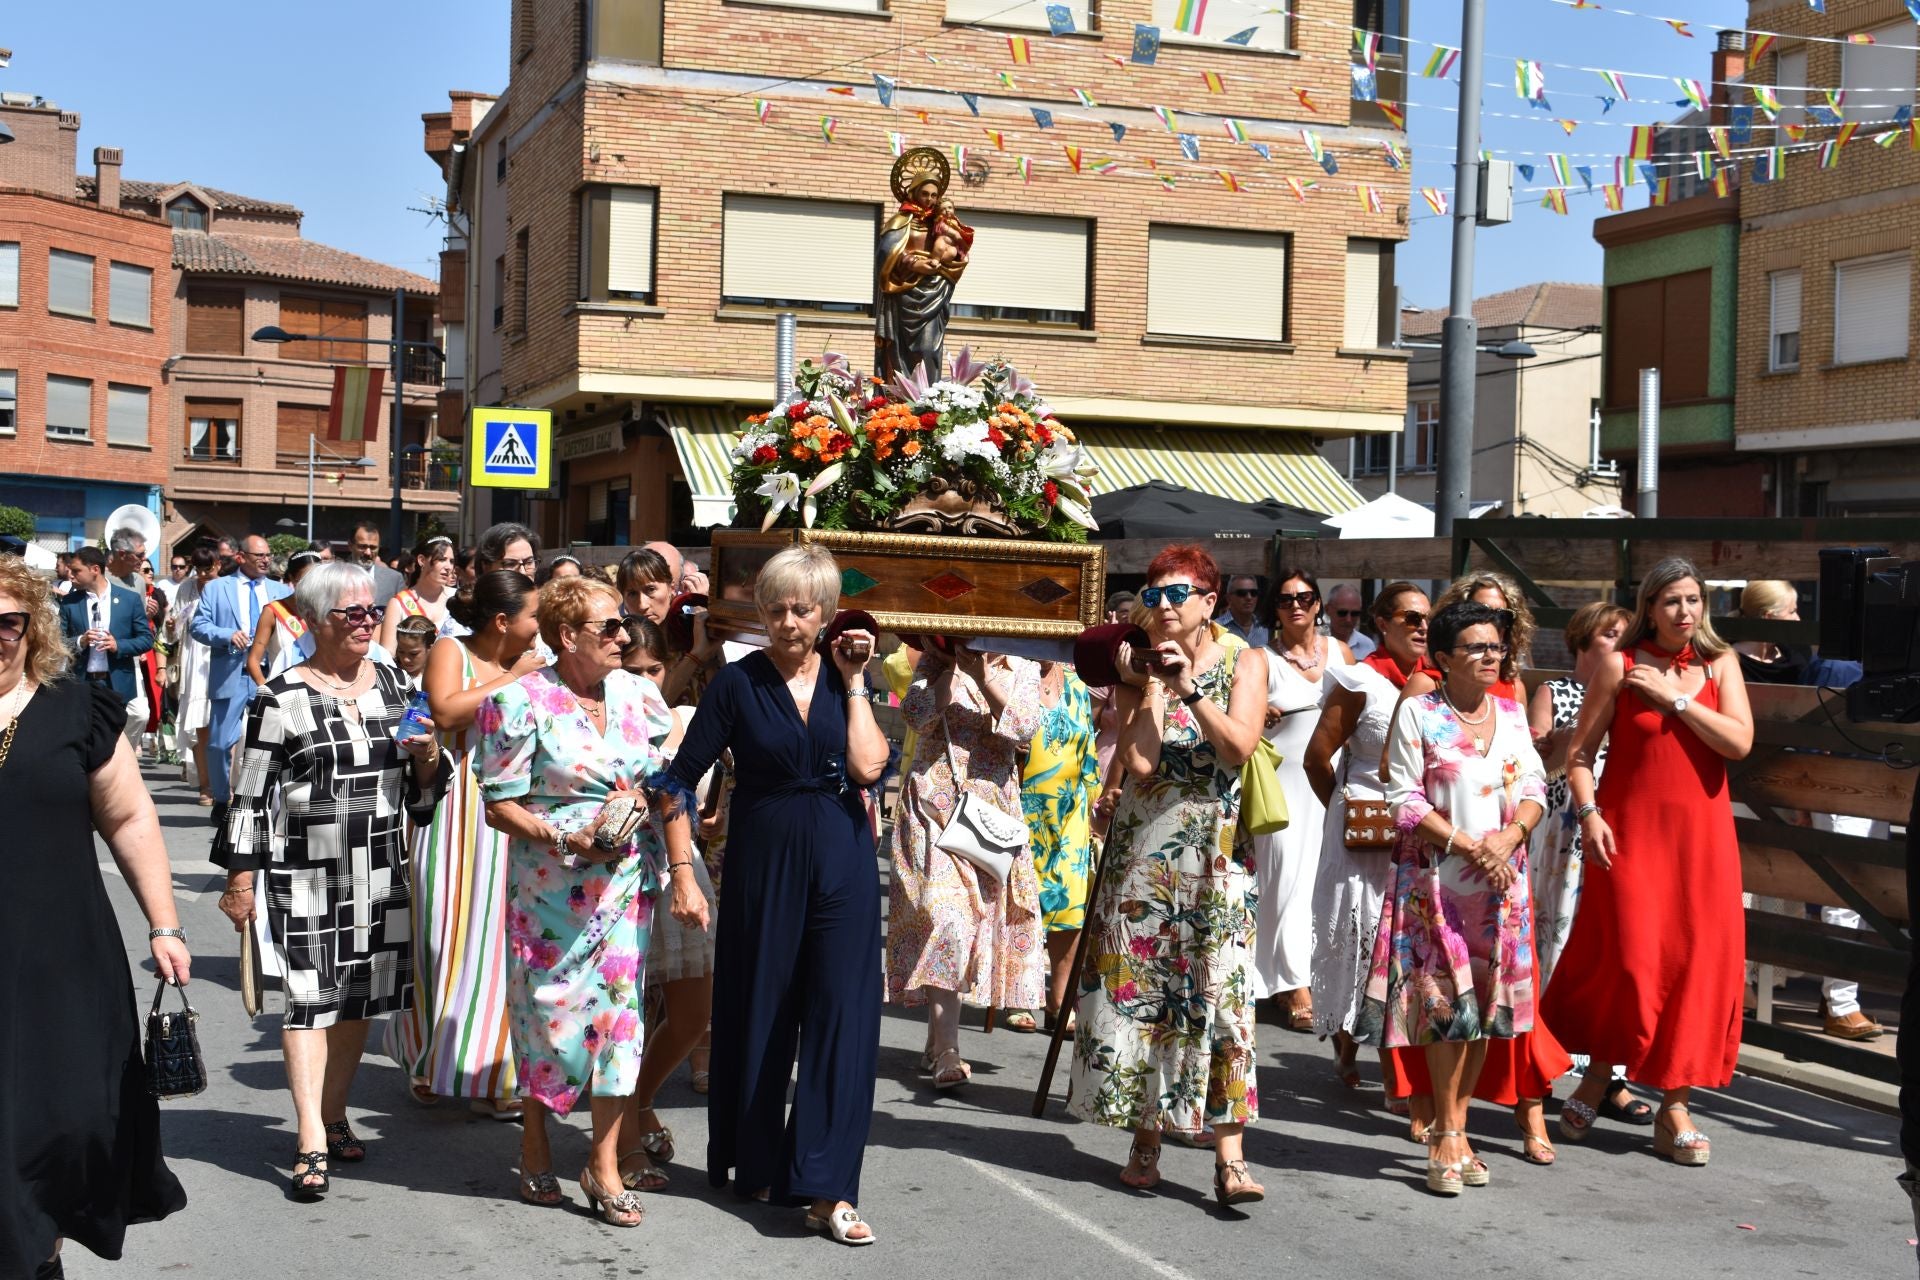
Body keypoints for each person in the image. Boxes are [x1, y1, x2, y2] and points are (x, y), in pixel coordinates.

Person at [653, 544, 888, 1245]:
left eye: (803, 609)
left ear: (826, 613)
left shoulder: (850, 677)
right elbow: (675, 781)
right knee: (760, 1010)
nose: (789, 622)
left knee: (843, 1018)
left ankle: (828, 1187)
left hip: (843, 862)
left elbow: (868, 766)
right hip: (762, 861)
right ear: (760, 611)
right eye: (777, 608)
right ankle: (754, 1158)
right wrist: (685, 873)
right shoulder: (736, 683)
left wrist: (854, 682)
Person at [213, 562, 451, 1200]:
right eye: (351, 613)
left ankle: (335, 1111)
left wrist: (429, 756)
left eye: (372, 611)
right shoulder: (281, 696)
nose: (368, 622)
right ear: (315, 621)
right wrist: (240, 880)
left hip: (380, 865)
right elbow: (248, 796)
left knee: (359, 1001)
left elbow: (428, 782)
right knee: (307, 1001)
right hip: (304, 869)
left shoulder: (400, 685)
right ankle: (310, 1136)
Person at [476, 575, 706, 1226]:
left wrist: (683, 873)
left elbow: (666, 785)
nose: (624, 635)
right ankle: (535, 1138)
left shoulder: (639, 695)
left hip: (625, 883)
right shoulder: (521, 701)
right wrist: (562, 834)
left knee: (617, 1023)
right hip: (549, 890)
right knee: (548, 1021)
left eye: (625, 623)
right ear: (567, 635)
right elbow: (499, 804)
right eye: (608, 626)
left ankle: (602, 1165)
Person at [0, 557, 190, 1280]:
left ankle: (39, 1249)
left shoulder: (74, 708)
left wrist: (165, 924)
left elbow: (131, 816)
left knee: (66, 1122)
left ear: (32, 627)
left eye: (8, 622)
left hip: (61, 958)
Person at [1069, 544, 1270, 1207]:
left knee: (1221, 994)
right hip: (1146, 850)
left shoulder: (1246, 660)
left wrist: (1189, 687)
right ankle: (1146, 1137)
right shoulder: (1137, 665)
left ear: (1210, 602)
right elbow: (1143, 764)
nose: (1161, 607)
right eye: (1151, 596)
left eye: (1175, 595)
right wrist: (1151, 681)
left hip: (1216, 852)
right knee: (1147, 989)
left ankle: (1230, 1154)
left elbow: (1238, 747)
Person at [1544, 557, 1754, 1166]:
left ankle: (1675, 1106)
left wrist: (1676, 702)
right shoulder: (1621, 664)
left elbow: (1739, 742)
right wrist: (1590, 816)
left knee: (1691, 966)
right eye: (1671, 602)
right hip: (1630, 836)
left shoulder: (1722, 664)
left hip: (1704, 843)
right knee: (1631, 962)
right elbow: (1579, 755)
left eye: (1693, 601)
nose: (1684, 612)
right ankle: (1599, 1075)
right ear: (1650, 607)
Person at [1359, 601, 1548, 1195]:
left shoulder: (1514, 714)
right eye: (1477, 648)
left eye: (1496, 646)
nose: (1491, 656)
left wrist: (1511, 836)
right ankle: (1444, 1133)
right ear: (1443, 659)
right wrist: (1470, 845)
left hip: (1501, 886)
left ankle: (1459, 1126)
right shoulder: (1419, 713)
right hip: (1438, 883)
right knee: (1447, 1008)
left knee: (1486, 1012)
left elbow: (1536, 784)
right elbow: (1403, 798)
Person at [386, 570, 545, 1116]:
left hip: (512, 813)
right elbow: (448, 711)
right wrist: (515, 678)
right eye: (533, 617)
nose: (538, 628)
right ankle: (429, 1057)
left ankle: (494, 1074)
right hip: (457, 811)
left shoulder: (532, 660)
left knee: (502, 941)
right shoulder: (452, 648)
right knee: (443, 938)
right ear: (503, 621)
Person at [890, 636, 1045, 1087]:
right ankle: (949, 1053)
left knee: (972, 925)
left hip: (988, 812)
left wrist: (981, 675)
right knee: (947, 922)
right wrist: (948, 670)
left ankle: (938, 1038)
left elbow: (1023, 728)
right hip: (931, 809)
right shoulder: (935, 662)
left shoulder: (1021, 664)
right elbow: (914, 715)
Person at [1733, 579, 1881, 1041]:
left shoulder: (1801, 659)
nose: (1801, 620)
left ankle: (1831, 994)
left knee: (1825, 893)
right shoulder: (1732, 661)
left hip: (1799, 788)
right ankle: (1740, 989)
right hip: (1753, 788)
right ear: (1770, 617)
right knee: (1750, 892)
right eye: (1793, 611)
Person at [1304, 582, 1430, 1093]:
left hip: (1415, 828)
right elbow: (1318, 756)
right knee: (1359, 935)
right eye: (1410, 619)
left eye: (1427, 619)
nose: (1422, 627)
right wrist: (1343, 807)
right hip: (1362, 821)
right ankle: (1348, 1043)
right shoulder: (1360, 680)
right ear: (1383, 623)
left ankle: (1399, 1052)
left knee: (1400, 938)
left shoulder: (1437, 682)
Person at [619, 617, 720, 1191]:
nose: (643, 681)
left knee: (692, 1013)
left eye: (654, 670)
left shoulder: (679, 719)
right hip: (618, 872)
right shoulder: (599, 719)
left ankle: (641, 1101)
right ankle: (626, 1141)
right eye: (631, 671)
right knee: (626, 1016)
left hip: (683, 869)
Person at [1253, 569, 1353, 1029]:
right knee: (1284, 880)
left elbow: (1360, 713)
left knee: (1321, 878)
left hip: (1331, 780)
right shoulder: (1261, 659)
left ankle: (1307, 975)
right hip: (1283, 783)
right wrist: (1261, 711)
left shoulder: (1341, 653)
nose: (1297, 605)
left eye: (1306, 597)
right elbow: (1242, 717)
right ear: (1275, 608)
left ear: (1317, 605)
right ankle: (1294, 986)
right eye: (1286, 598)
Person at [1528, 601, 1630, 990]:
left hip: (1613, 816)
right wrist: (1565, 740)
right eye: (1609, 635)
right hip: (1564, 819)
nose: (1619, 645)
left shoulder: (1630, 694)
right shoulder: (1554, 691)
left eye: (1624, 637)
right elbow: (1537, 764)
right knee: (1559, 913)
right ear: (1582, 642)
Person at [1016, 658, 1101, 1033]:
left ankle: (1058, 1001)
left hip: (1071, 814)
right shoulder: (1010, 675)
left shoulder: (1077, 685)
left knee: (1068, 909)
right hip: (1020, 809)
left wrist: (1096, 810)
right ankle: (1019, 995)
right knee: (1020, 905)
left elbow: (1089, 754)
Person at [189, 535, 291, 815]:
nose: (265, 560)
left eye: (268, 555)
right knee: (220, 743)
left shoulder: (280, 591)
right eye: (259, 555)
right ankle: (221, 798)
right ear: (240, 557)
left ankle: (265, 802)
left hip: (270, 674)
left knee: (275, 741)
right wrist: (226, 634)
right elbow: (198, 626)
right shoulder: (217, 588)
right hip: (232, 672)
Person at [58, 547, 154, 752]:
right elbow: (57, 641)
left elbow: (146, 639)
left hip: (117, 679)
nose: (70, 575)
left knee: (135, 718)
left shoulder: (129, 600)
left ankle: (123, 759)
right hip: (83, 679)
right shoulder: (69, 602)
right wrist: (80, 641)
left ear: (94, 569)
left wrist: (119, 645)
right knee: (87, 735)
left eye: (76, 571)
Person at [618, 547, 716, 704]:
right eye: (632, 593)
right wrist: (695, 656)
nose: (642, 604)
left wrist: (703, 605)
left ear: (671, 588)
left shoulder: (692, 626)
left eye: (650, 589)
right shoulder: (618, 643)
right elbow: (655, 706)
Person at [171, 547, 220, 806]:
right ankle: (206, 784)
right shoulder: (186, 588)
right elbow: (175, 628)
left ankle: (225, 782)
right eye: (198, 569)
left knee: (223, 725)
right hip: (194, 655)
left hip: (222, 655)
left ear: (218, 565)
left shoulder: (226, 587)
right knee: (200, 725)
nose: (202, 574)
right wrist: (172, 625)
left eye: (208, 569)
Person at [243, 550, 323, 688]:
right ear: (291, 578)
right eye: (304, 579)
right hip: (283, 691)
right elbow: (253, 661)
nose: (312, 585)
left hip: (320, 690)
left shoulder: (327, 611)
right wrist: (268, 692)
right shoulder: (272, 611)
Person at [379, 535, 460, 650]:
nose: (448, 567)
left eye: (451, 561)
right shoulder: (399, 603)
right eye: (441, 559)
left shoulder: (457, 598)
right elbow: (387, 656)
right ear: (422, 560)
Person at [350, 521, 406, 607]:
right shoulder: (335, 577)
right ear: (350, 546)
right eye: (363, 547)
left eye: (373, 548)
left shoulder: (395, 580)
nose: (368, 553)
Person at [1215, 574, 1269, 648]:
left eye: (1254, 593)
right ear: (1229, 598)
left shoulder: (1265, 627)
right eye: (1242, 593)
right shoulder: (1216, 628)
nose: (1249, 597)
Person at [1326, 584, 1376, 660]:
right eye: (1342, 613)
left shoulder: (1367, 645)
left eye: (1355, 614)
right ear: (1327, 609)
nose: (1348, 619)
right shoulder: (1316, 642)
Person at [391, 616, 436, 682]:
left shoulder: (438, 677)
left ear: (430, 648)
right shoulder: (391, 674)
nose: (405, 659)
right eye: (401, 651)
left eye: (413, 654)